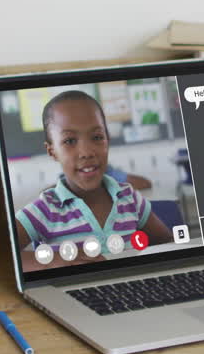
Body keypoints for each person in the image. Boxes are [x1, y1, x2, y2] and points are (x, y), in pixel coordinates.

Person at [17, 90, 172, 264]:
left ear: (108, 140)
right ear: (52, 151)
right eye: (69, 141)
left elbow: (167, 244)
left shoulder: (129, 198)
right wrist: (55, 261)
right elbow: (4, 255)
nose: (87, 152)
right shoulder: (46, 209)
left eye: (97, 137)